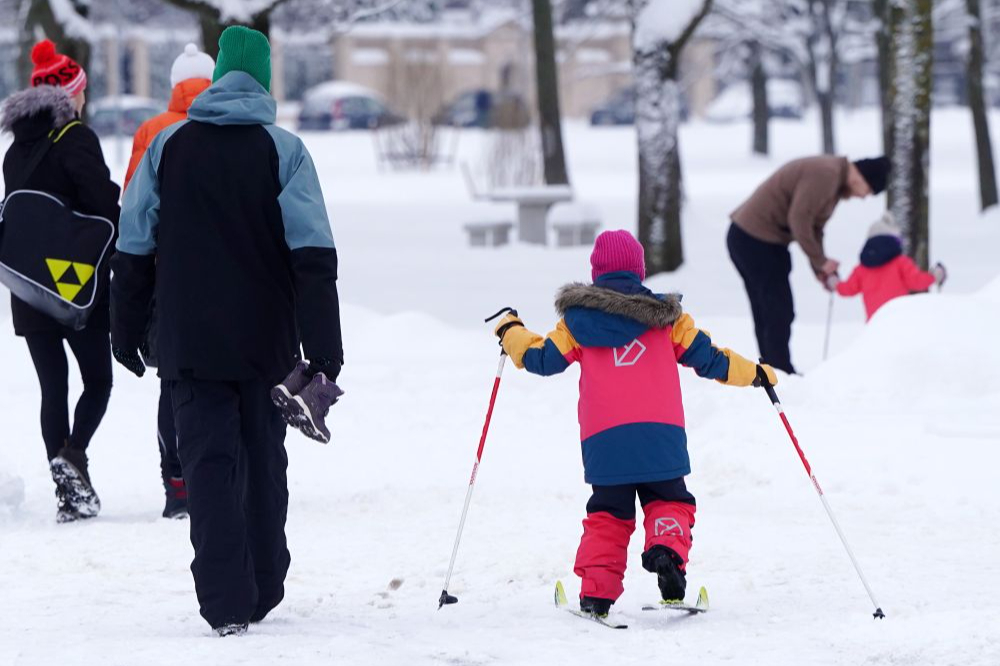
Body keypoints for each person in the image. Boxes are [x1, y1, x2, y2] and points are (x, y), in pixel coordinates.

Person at [110, 26, 344, 636]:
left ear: (217, 77)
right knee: (264, 460)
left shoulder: (169, 146)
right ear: (262, 78)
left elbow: (133, 241)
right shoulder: (285, 150)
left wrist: (125, 325)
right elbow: (313, 255)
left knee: (209, 465)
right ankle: (264, 584)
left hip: (188, 341)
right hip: (267, 342)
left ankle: (223, 602)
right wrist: (324, 349)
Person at [492, 230, 776, 617]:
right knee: (670, 500)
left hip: (605, 441)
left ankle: (597, 593)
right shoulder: (668, 319)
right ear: (639, 272)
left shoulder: (577, 323)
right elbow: (710, 358)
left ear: (595, 275)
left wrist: (510, 331)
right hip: (661, 436)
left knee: (609, 514)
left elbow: (542, 359)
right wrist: (754, 373)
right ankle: (667, 554)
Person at [1, 39, 119, 523]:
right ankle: (74, 457)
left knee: (53, 387)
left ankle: (67, 494)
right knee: (98, 380)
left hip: (29, 286)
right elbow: (101, 205)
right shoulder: (76, 138)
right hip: (76, 286)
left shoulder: (15, 149)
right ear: (72, 94)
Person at [122, 42, 216, 519]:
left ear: (175, 84)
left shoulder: (152, 131)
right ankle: (221, 477)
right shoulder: (230, 126)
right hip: (224, 274)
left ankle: (176, 481)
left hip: (164, 274)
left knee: (173, 379)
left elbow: (133, 211)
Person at [728, 155, 891, 374]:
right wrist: (821, 261)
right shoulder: (827, 174)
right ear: (861, 178)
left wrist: (820, 269)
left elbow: (814, 228)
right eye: (868, 192)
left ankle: (772, 371)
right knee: (777, 310)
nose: (863, 197)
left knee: (770, 310)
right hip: (755, 240)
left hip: (758, 240)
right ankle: (779, 373)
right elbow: (799, 220)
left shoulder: (834, 182)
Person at [828, 212, 946, 321]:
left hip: (874, 325)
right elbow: (916, 281)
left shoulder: (861, 269)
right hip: (898, 320)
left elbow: (848, 289)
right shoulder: (901, 263)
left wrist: (835, 283)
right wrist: (934, 276)